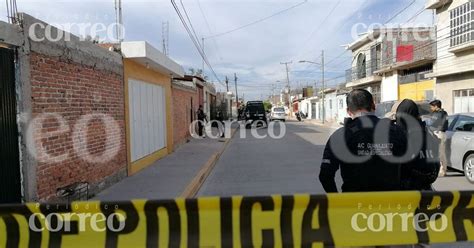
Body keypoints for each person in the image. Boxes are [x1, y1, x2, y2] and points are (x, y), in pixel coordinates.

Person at [319, 89, 407, 193]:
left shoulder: (341, 135)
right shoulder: (397, 131)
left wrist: (338, 201)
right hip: (390, 204)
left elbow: (325, 175)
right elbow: (409, 167)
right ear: (373, 106)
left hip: (354, 204)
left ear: (348, 111)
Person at [395, 99, 440, 190]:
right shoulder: (427, 134)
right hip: (427, 191)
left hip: (407, 194)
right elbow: (435, 166)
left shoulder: (402, 137)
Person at [429, 100, 449, 177]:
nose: (430, 108)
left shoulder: (439, 114)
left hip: (439, 134)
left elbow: (431, 123)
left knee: (440, 153)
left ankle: (443, 170)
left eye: (431, 106)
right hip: (439, 133)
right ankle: (441, 169)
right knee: (439, 153)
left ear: (436, 106)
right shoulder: (443, 113)